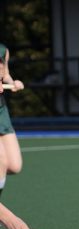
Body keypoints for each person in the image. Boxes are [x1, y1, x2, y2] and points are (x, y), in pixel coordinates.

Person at [0, 43, 25, 202]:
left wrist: (13, 82)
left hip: (1, 111)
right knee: (0, 161)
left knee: (14, 166)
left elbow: (5, 74)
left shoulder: (3, 51)